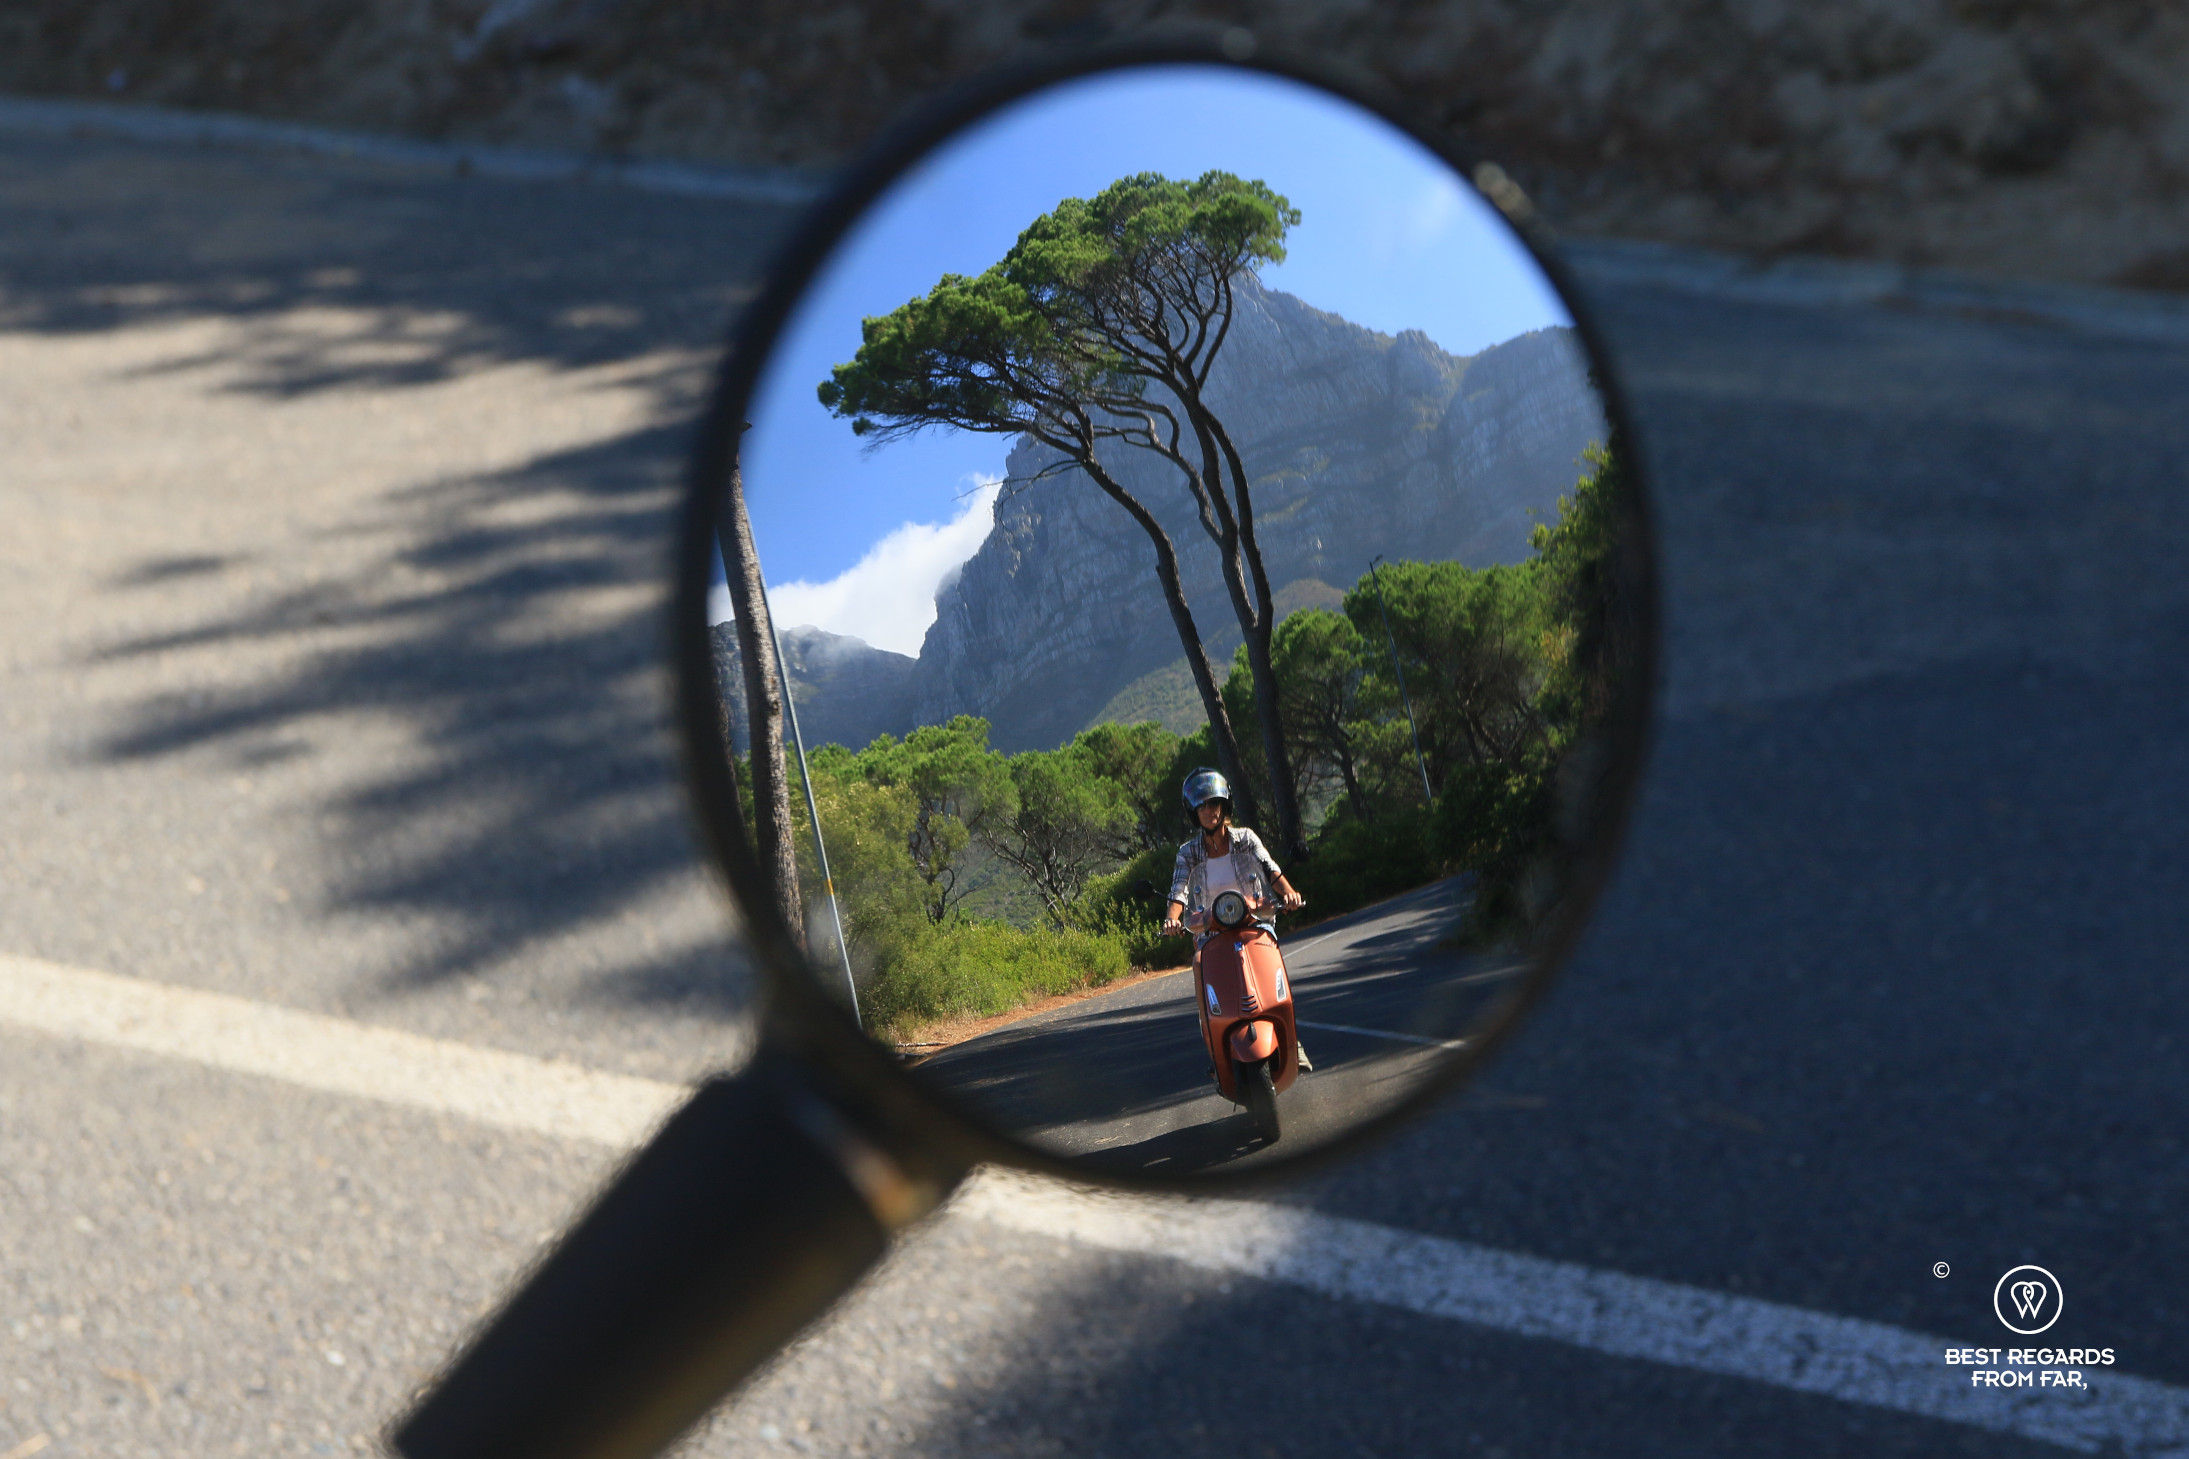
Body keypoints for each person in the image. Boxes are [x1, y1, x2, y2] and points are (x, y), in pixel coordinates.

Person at [1161, 768, 1311, 1071]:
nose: (1209, 811)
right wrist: (1172, 919)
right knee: (1200, 965)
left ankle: (1293, 1040)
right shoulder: (1188, 853)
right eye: (1202, 806)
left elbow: (1271, 870)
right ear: (1194, 812)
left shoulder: (1244, 839)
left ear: (1224, 806)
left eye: (1214, 804)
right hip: (1209, 930)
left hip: (1254, 920)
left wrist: (1290, 893)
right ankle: (1216, 1050)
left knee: (1271, 955)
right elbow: (1178, 891)